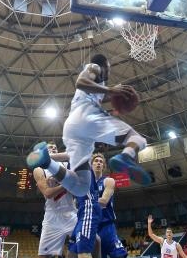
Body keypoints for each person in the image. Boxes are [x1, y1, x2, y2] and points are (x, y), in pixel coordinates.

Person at [26, 54, 150, 198]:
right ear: (104, 65)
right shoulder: (94, 67)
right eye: (109, 67)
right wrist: (111, 90)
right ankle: (125, 157)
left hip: (73, 128)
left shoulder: (98, 86)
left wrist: (114, 96)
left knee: (81, 188)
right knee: (136, 138)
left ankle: (47, 161)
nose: (109, 71)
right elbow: (80, 82)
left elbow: (96, 94)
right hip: (87, 117)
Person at [17, 143, 89, 258]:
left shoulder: (66, 165)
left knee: (78, 256)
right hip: (51, 218)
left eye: (55, 147)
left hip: (71, 214)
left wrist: (67, 182)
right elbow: (48, 193)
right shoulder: (39, 169)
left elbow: (79, 188)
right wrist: (67, 183)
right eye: (49, 147)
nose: (52, 148)